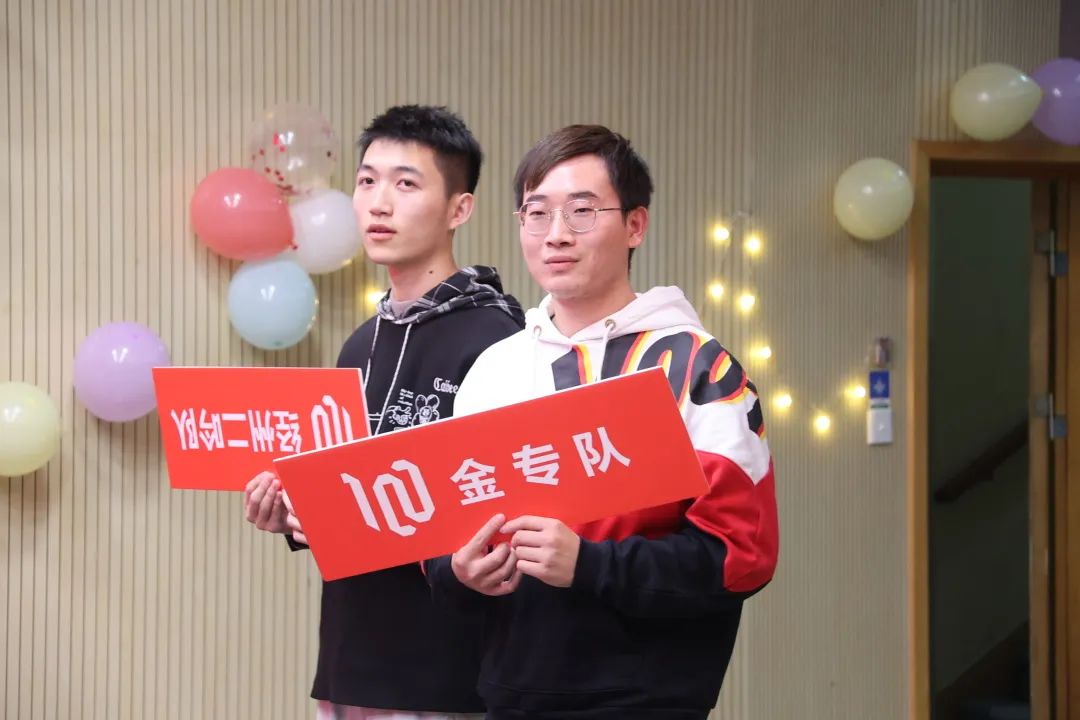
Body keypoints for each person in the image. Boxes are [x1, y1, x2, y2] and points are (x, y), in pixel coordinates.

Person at [424, 124, 779, 720]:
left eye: (582, 211)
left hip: (647, 701)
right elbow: (442, 528)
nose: (556, 234)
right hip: (508, 695)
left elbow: (741, 555)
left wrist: (589, 564)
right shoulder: (495, 367)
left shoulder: (694, 367)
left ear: (635, 225)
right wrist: (458, 571)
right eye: (537, 213)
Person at [243, 104, 525, 720]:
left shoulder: (499, 339)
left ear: (459, 209)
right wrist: (296, 513)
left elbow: (502, 513)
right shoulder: (361, 343)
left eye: (406, 183)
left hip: (447, 673)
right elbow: (351, 499)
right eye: (367, 180)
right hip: (351, 662)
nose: (378, 202)